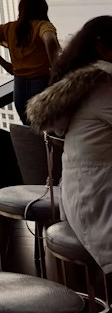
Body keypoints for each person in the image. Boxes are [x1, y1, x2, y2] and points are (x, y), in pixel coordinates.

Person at [28, 16, 112, 276]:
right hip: (101, 198)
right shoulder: (105, 83)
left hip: (82, 194)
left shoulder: (83, 84)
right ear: (102, 48)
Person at [0, 0, 60, 124]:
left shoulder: (10, 28)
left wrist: (5, 64)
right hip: (41, 83)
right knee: (47, 127)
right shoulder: (43, 25)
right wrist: (55, 67)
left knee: (29, 127)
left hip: (19, 87)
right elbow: (49, 39)